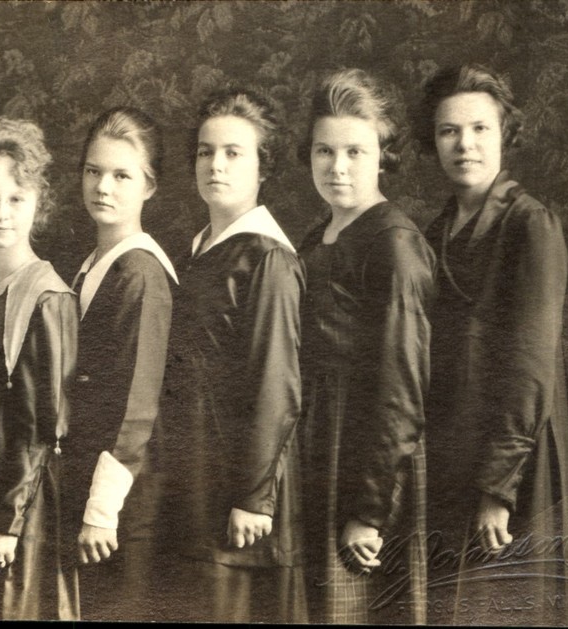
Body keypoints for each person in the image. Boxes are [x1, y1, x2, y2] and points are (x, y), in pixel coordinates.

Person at [419, 64, 568, 625]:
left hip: (514, 459)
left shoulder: (530, 225)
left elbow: (531, 366)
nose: (465, 144)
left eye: (480, 129)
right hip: (451, 452)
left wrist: (498, 486)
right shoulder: (437, 233)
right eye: (449, 131)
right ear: (432, 140)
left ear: (504, 133)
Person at [159, 89, 306, 623]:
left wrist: (253, 496)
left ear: (263, 168)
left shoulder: (267, 258)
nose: (215, 165)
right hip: (193, 478)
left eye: (233, 153)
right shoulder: (196, 250)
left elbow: (277, 383)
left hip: (240, 493)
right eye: (205, 151)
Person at [296, 68, 435, 625]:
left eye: (356, 150)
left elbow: (401, 391)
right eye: (324, 150)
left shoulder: (395, 244)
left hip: (365, 462)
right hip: (315, 446)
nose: (338, 166)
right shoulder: (315, 235)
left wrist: (369, 512)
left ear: (384, 154)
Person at [0, 116, 80, 621]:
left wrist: (6, 521)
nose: (1, 212)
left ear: (38, 205)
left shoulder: (47, 297)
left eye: (16, 199)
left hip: (13, 500)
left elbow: (44, 426)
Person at [66, 107, 178, 621]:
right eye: (94, 171)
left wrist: (103, 509)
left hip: (120, 497)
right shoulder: (93, 265)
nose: (103, 187)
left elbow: (137, 403)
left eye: (121, 175)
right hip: (85, 475)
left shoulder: (141, 272)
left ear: (149, 187)